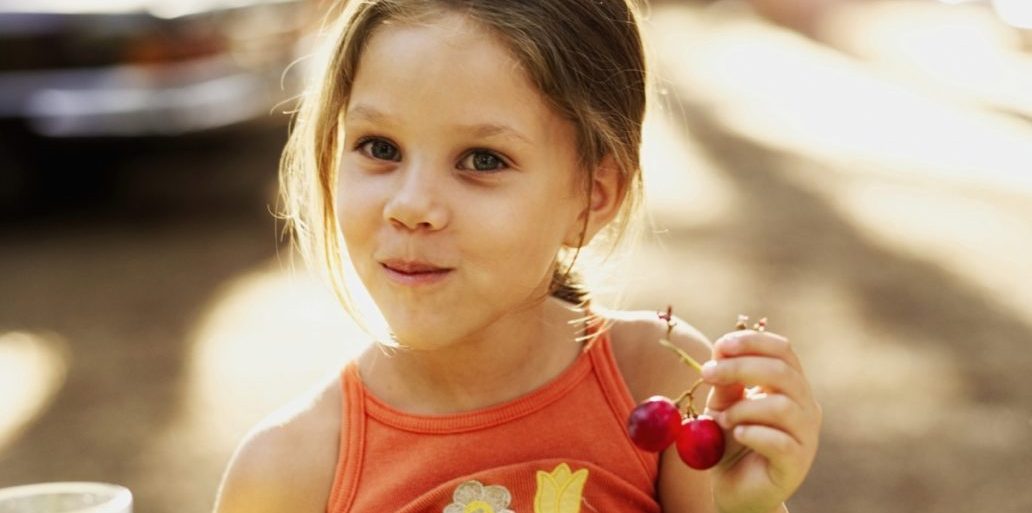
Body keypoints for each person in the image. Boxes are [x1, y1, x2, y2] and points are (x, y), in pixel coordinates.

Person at [213, 1, 821, 512]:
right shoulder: (288, 472)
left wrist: (751, 508)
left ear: (592, 195)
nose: (411, 205)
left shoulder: (654, 385)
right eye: (379, 147)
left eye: (482, 159)